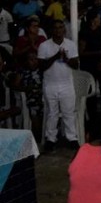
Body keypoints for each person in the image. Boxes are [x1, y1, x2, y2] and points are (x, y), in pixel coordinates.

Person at [36, 19, 80, 152]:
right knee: (52, 113)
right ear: (52, 30)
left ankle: (72, 138)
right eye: (56, 28)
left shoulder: (71, 45)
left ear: (64, 30)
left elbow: (76, 65)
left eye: (61, 27)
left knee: (68, 113)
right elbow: (41, 66)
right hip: (50, 84)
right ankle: (50, 139)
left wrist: (66, 59)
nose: (58, 30)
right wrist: (56, 57)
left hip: (67, 84)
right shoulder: (44, 46)